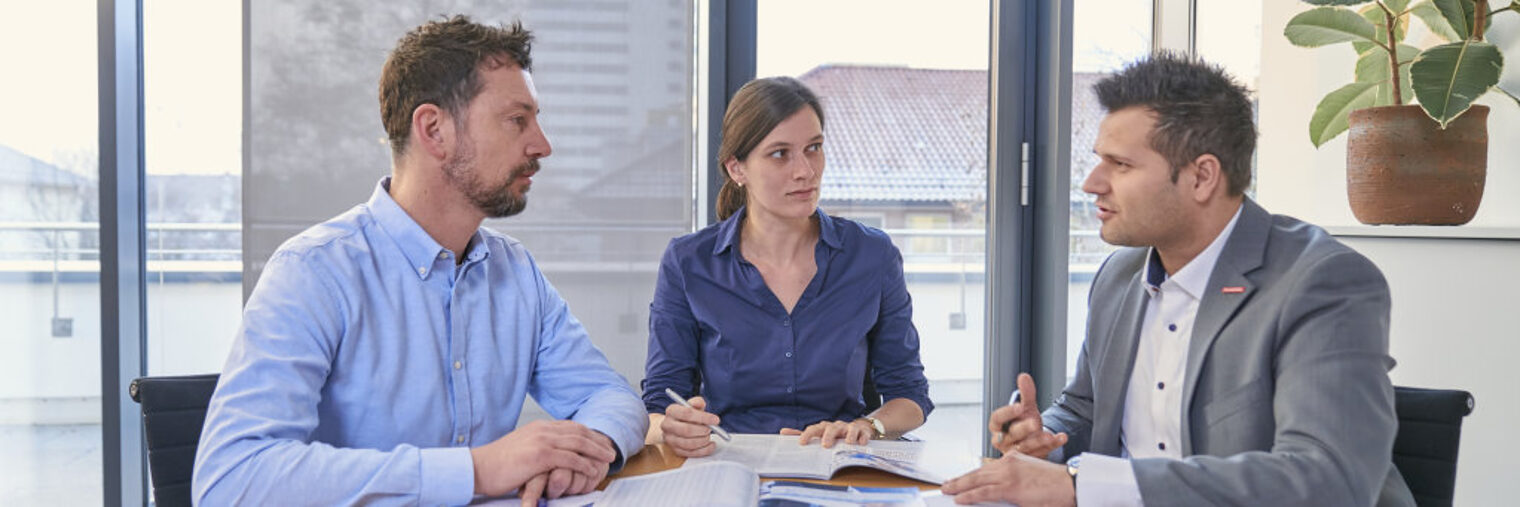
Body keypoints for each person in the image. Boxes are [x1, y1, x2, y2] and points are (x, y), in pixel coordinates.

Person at [192, 16, 647, 506]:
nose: (542, 145)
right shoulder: (313, 272)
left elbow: (610, 396)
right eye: (518, 120)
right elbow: (231, 481)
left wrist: (586, 449)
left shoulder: (515, 273)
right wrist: (476, 471)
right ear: (434, 130)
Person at [942, 53, 1415, 506]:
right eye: (1099, 159)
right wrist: (1045, 437)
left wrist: (1081, 486)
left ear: (1202, 177)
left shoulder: (1321, 282)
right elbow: (1084, 409)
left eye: (1121, 164)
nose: (1092, 182)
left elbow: (1326, 479)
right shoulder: (1120, 276)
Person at [641, 77, 934, 457]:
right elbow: (659, 402)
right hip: (729, 463)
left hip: (840, 465)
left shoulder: (871, 255)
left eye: (814, 148)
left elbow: (910, 395)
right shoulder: (688, 262)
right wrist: (673, 426)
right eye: (780, 153)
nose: (805, 171)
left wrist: (867, 426)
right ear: (737, 169)